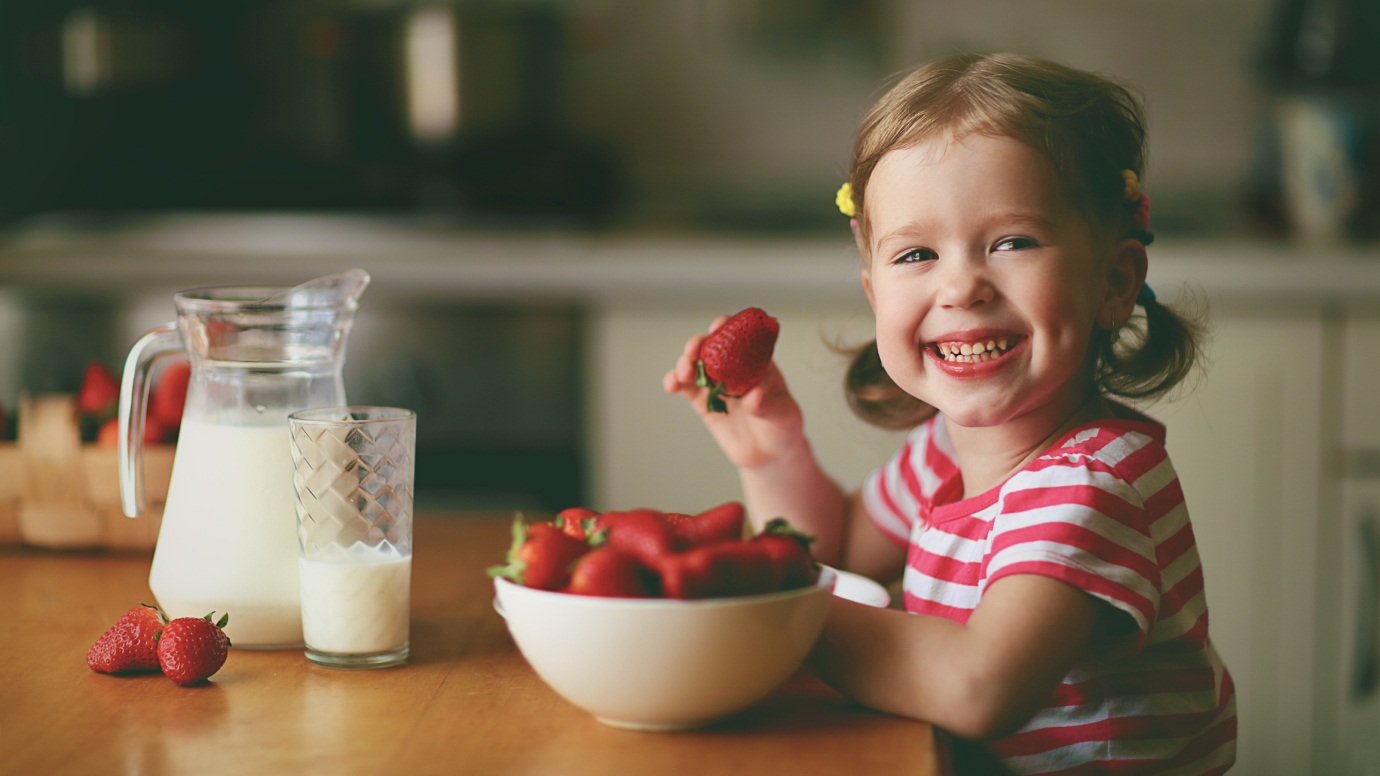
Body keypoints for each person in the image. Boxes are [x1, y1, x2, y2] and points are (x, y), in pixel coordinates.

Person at [664, 52, 1236, 774]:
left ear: (1114, 282)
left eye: (1013, 242)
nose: (961, 285)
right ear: (875, 295)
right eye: (917, 255)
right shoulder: (947, 449)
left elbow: (979, 686)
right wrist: (772, 455)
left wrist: (765, 608)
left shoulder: (1093, 481)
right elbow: (836, 551)